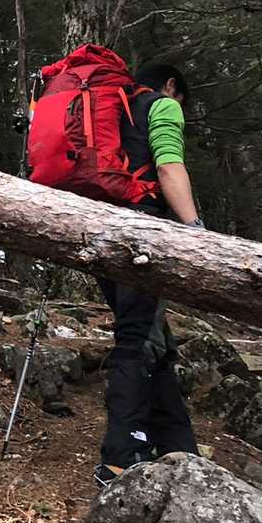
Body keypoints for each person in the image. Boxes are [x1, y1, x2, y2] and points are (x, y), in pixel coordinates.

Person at [94, 61, 203, 489]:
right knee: (137, 337)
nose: (180, 108)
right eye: (181, 101)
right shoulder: (162, 105)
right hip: (143, 233)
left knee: (153, 335)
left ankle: (179, 445)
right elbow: (168, 167)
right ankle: (122, 456)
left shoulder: (110, 109)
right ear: (171, 85)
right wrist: (194, 230)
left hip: (97, 227)